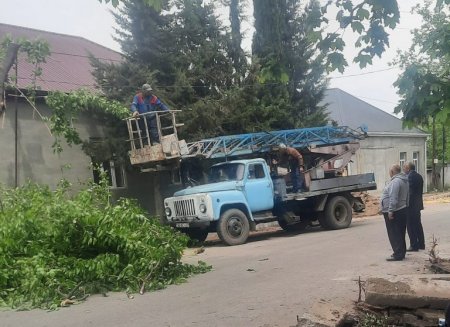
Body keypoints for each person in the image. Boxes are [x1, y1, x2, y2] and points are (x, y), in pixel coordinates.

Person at [380, 164, 409, 261]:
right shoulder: (404, 180)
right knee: (400, 233)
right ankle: (401, 252)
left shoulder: (396, 181)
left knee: (394, 233)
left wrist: (390, 211)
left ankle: (398, 254)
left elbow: (393, 197)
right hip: (402, 209)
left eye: (389, 171)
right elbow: (406, 196)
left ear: (392, 172)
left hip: (396, 211)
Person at [403, 162, 425, 251]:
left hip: (411, 206)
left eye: (404, 168)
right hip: (418, 204)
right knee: (418, 224)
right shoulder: (419, 176)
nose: (403, 170)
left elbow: (409, 192)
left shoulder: (409, 177)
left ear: (408, 168)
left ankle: (414, 245)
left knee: (410, 225)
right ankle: (421, 244)